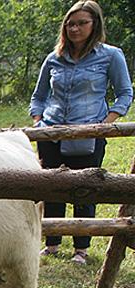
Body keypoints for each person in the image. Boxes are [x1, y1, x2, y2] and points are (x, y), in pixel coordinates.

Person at [30, 0, 132, 265]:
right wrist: (39, 120)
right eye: (70, 23)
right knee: (52, 187)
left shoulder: (110, 55)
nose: (74, 29)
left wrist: (105, 124)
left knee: (83, 187)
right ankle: (52, 242)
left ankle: (81, 248)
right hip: (51, 132)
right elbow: (39, 96)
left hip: (88, 132)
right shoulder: (55, 57)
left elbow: (124, 93)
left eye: (81, 23)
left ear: (94, 24)